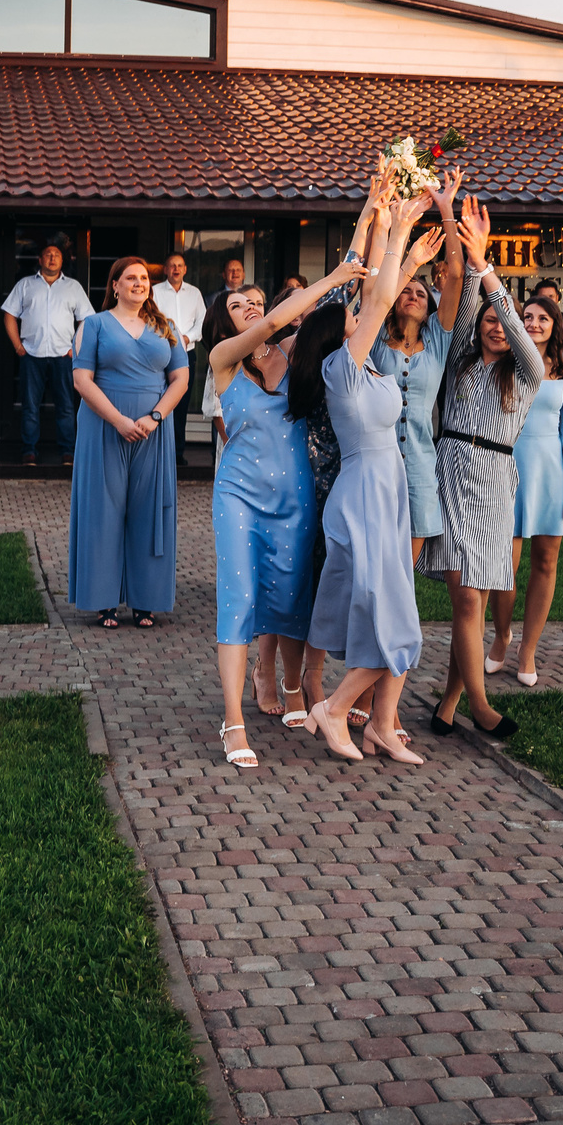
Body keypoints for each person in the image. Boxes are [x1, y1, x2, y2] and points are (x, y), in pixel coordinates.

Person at [293, 173, 446, 765]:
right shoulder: (341, 369)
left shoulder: (375, 370)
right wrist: (399, 235)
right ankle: (333, 708)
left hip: (391, 493)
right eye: (355, 313)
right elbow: (379, 296)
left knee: (397, 614)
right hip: (361, 493)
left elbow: (379, 297)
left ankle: (380, 724)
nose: (367, 313)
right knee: (393, 622)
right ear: (341, 333)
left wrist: (394, 238)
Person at [206, 262, 364, 766]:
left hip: (295, 499)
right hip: (238, 496)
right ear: (224, 322)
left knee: (292, 597)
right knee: (239, 599)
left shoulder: (295, 354)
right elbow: (278, 320)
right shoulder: (223, 360)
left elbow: (339, 313)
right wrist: (333, 273)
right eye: (237, 304)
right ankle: (233, 721)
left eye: (254, 297)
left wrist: (375, 219)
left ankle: (289, 685)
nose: (249, 305)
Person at [420, 194, 552, 741]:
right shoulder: (460, 361)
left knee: (472, 599)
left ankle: (448, 702)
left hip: (496, 484)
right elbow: (468, 299)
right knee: (466, 597)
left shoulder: (526, 374)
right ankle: (480, 703)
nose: (498, 326)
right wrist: (469, 247)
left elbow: (528, 346)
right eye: (491, 321)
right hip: (452, 472)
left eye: (509, 320)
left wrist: (492, 269)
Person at [69, 254, 191, 628]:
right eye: (131, 278)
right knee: (102, 512)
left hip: (153, 430)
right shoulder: (94, 325)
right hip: (104, 426)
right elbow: (82, 380)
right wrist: (120, 420)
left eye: (144, 278)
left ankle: (145, 601)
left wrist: (155, 417)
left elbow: (181, 379)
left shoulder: (166, 326)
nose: (139, 283)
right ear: (115, 285)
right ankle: (103, 601)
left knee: (150, 510)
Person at [488, 294, 563, 686]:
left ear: (554, 325)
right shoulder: (503, 363)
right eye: (526, 316)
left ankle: (527, 649)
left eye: (542, 318)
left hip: (552, 475)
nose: (533, 323)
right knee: (504, 568)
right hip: (507, 471)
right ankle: (501, 636)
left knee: (545, 563)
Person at [371, 172, 466, 563]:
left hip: (421, 471)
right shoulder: (374, 339)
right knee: (375, 565)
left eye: (420, 293)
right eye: (405, 291)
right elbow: (378, 292)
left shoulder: (439, 341)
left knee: (403, 576)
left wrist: (446, 210)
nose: (412, 294)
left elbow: (457, 275)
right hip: (376, 467)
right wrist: (406, 259)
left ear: (431, 305)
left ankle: (398, 628)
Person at [1, 235, 94, 467]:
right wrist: (18, 346)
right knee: (30, 406)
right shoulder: (25, 285)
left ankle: (67, 452)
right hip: (31, 355)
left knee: (65, 406)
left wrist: (76, 348)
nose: (52, 258)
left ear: (63, 260)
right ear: (40, 259)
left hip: (63, 356)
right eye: (48, 255)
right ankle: (29, 451)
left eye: (57, 255)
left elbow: (87, 320)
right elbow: (9, 315)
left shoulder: (73, 287)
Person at [152, 253, 209, 463]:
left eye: (180, 266)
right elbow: (150, 318)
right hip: (161, 353)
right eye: (172, 266)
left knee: (182, 403)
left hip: (186, 353)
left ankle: (177, 453)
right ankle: (159, 451)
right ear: (165, 270)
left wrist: (186, 337)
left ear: (185, 269)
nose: (176, 269)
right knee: (159, 401)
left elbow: (202, 322)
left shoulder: (194, 293)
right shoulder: (155, 292)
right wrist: (166, 338)